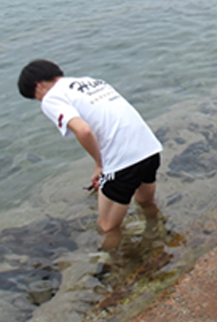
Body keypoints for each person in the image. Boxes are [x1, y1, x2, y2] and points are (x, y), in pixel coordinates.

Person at [17, 60, 162, 251]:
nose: (41, 101)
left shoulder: (52, 97)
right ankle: (159, 235)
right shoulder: (93, 82)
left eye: (36, 97)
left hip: (123, 162)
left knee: (107, 226)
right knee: (145, 202)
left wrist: (100, 165)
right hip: (149, 149)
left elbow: (84, 131)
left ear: (39, 85)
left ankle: (113, 270)